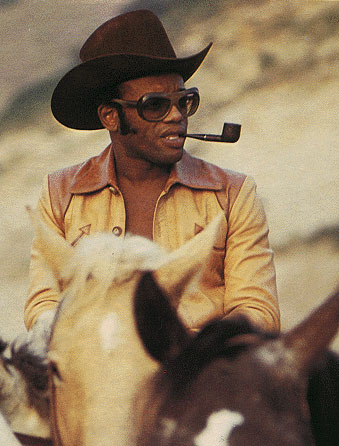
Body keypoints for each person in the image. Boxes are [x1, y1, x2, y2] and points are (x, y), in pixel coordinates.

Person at [24, 9, 280, 337]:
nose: (176, 116)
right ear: (110, 116)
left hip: (197, 364)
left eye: (184, 102)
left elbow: (258, 310)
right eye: (155, 105)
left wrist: (189, 350)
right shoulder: (60, 193)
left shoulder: (233, 193)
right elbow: (43, 303)